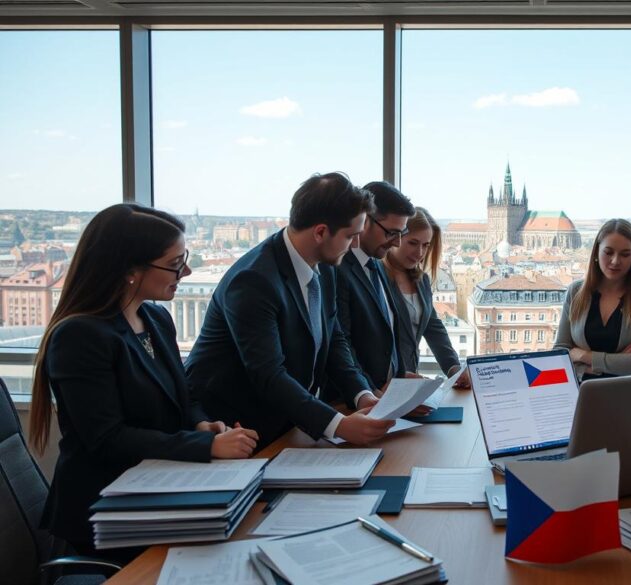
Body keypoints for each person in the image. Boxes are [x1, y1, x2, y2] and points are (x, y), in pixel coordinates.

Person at [28, 204, 259, 560]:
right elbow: (108, 439)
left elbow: (183, 393)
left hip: (158, 487)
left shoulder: (155, 317)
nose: (187, 271)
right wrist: (205, 447)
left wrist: (200, 423)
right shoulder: (79, 336)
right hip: (106, 513)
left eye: (186, 259)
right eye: (174, 264)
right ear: (129, 271)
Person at [186, 173, 394, 450]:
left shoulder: (327, 264)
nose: (355, 245)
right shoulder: (254, 280)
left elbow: (335, 341)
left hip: (286, 424)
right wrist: (338, 425)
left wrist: (361, 394)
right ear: (320, 232)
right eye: (350, 236)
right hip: (233, 430)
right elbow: (269, 375)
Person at [553, 219, 631, 380]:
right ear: (596, 252)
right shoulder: (575, 292)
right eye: (608, 252)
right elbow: (560, 353)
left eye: (625, 254)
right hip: (579, 393)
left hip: (625, 394)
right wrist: (612, 363)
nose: (616, 261)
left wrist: (583, 355)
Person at [335, 181, 417, 393]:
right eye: (391, 233)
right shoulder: (338, 269)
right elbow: (341, 344)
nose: (397, 243)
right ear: (365, 221)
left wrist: (400, 378)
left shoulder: (376, 264)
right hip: (353, 406)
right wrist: (370, 392)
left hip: (385, 400)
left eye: (402, 232)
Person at [383, 207, 470, 388]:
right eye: (413, 243)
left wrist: (453, 368)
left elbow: (433, 328)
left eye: (425, 245)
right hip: (379, 385)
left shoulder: (421, 280)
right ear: (395, 238)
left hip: (408, 383)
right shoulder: (376, 277)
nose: (420, 252)